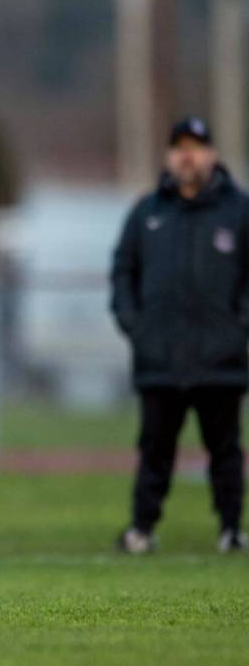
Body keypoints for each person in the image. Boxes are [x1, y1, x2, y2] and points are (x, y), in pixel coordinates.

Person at [111, 116, 249, 554]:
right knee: (155, 449)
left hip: (220, 362)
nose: (187, 155)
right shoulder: (147, 213)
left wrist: (236, 330)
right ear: (170, 156)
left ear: (212, 154)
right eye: (179, 147)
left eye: (196, 146)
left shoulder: (238, 212)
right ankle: (141, 529)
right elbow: (122, 272)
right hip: (160, 360)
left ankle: (231, 530)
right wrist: (138, 327)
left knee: (225, 451)